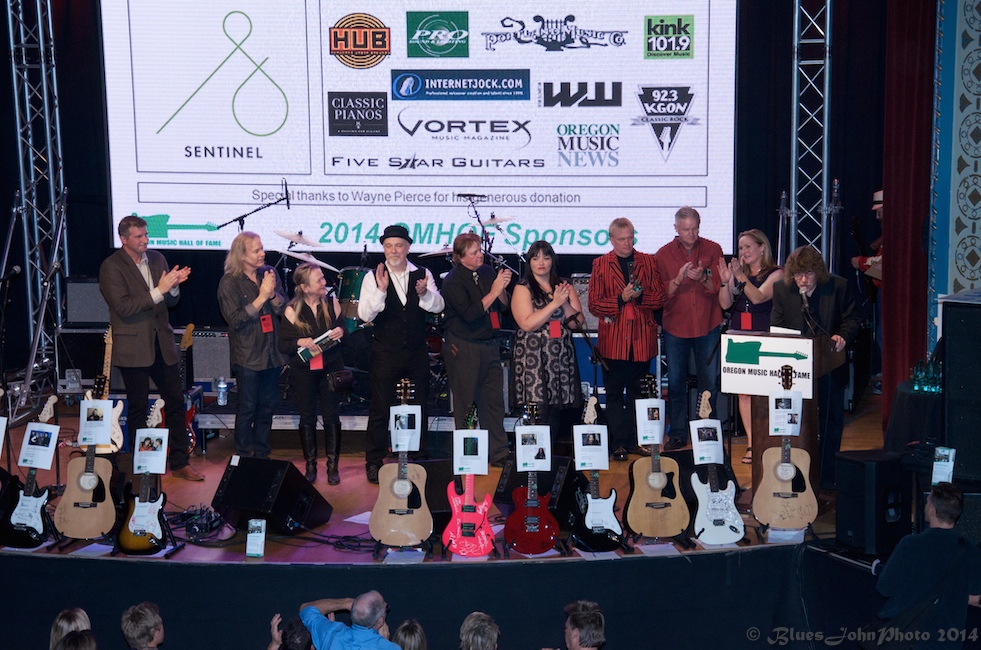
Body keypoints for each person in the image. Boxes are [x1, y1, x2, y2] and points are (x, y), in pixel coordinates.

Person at [99, 214, 202, 480]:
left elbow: (169, 303)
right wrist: (160, 290)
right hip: (133, 346)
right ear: (123, 239)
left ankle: (180, 461)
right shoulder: (111, 266)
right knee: (138, 406)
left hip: (162, 343)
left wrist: (174, 288)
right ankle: (142, 465)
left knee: (176, 402)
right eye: (139, 236)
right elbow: (123, 307)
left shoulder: (157, 259)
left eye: (146, 235)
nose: (145, 240)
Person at [358, 224, 444, 484]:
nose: (393, 250)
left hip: (416, 351)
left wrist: (425, 293)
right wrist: (382, 290)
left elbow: (438, 306)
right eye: (388, 246)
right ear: (383, 248)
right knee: (380, 407)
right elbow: (364, 314)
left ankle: (419, 455)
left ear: (407, 248)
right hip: (385, 351)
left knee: (420, 405)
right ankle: (374, 461)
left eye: (398, 245)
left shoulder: (423, 272)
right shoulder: (373, 276)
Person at [770, 245, 861, 490]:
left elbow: (853, 318)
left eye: (808, 275)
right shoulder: (782, 289)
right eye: (798, 275)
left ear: (818, 272)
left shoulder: (838, 286)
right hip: (794, 372)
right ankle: (798, 474)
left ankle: (828, 477)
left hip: (830, 366)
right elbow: (776, 324)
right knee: (799, 424)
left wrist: (842, 336)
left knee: (830, 423)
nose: (803, 280)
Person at [587, 218, 666, 461]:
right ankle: (617, 443)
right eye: (622, 239)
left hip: (641, 341)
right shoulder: (600, 265)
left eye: (631, 237)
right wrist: (621, 298)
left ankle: (635, 441)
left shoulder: (648, 261)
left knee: (638, 395)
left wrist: (641, 298)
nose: (627, 243)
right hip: (614, 342)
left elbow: (660, 297)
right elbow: (594, 304)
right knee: (613, 395)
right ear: (611, 240)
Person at [875, 483, 981, 647]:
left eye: (927, 502)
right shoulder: (970, 549)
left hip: (910, 638)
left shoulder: (910, 544)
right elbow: (974, 599)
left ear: (932, 510)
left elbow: (885, 587)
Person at [654, 207, 724, 451]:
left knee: (709, 382)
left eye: (695, 228)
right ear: (676, 229)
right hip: (676, 325)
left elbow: (720, 285)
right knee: (675, 383)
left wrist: (702, 278)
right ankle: (679, 433)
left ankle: (706, 430)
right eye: (686, 229)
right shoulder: (662, 255)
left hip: (708, 323)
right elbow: (659, 295)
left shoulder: (713, 249)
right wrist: (679, 280)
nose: (691, 234)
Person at [441, 232, 512, 466]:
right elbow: (470, 314)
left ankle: (499, 452)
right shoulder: (452, 281)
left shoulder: (487, 272)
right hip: (464, 344)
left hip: (489, 344)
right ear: (460, 257)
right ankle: (469, 455)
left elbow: (503, 306)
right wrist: (493, 291)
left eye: (480, 250)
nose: (480, 255)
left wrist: (501, 288)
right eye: (474, 253)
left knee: (493, 401)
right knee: (466, 402)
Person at [217, 232, 288, 459]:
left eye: (261, 248)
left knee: (267, 407)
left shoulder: (269, 272)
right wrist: (262, 295)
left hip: (272, 353)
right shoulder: (229, 282)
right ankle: (243, 454)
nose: (262, 253)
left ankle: (262, 452)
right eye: (256, 250)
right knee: (247, 407)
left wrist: (272, 293)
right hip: (248, 356)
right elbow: (236, 319)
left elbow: (281, 308)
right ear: (242, 255)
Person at [717, 229, 784, 464]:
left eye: (748, 247)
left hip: (765, 337)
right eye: (741, 248)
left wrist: (739, 277)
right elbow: (725, 304)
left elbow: (758, 298)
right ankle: (752, 444)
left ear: (762, 248)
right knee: (744, 394)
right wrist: (726, 280)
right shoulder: (739, 273)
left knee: (764, 393)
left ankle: (770, 442)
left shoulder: (776, 273)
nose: (743, 252)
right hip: (740, 338)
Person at [278, 263, 346, 484]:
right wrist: (300, 341)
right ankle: (310, 465)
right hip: (304, 371)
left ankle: (333, 466)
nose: (324, 283)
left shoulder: (331, 302)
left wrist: (341, 332)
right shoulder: (292, 309)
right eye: (319, 280)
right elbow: (283, 344)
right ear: (306, 287)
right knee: (307, 416)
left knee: (331, 416)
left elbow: (345, 334)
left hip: (330, 368)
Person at [511, 240, 584, 446]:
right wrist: (554, 304)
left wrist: (565, 305)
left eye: (546, 257)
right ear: (529, 262)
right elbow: (527, 324)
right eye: (535, 258)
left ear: (553, 260)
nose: (541, 262)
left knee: (556, 413)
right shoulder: (523, 287)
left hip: (559, 357)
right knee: (538, 412)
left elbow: (577, 323)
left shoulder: (563, 286)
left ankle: (550, 461)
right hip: (534, 358)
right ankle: (534, 462)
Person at [851, 189, 884, 394]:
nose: (877, 216)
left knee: (882, 335)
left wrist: (860, 263)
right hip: (882, 293)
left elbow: (882, 266)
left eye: (880, 211)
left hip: (887, 294)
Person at [299, 590, 399, 650]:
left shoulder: (330, 633)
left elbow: (305, 609)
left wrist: (345, 603)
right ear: (380, 621)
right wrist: (384, 642)